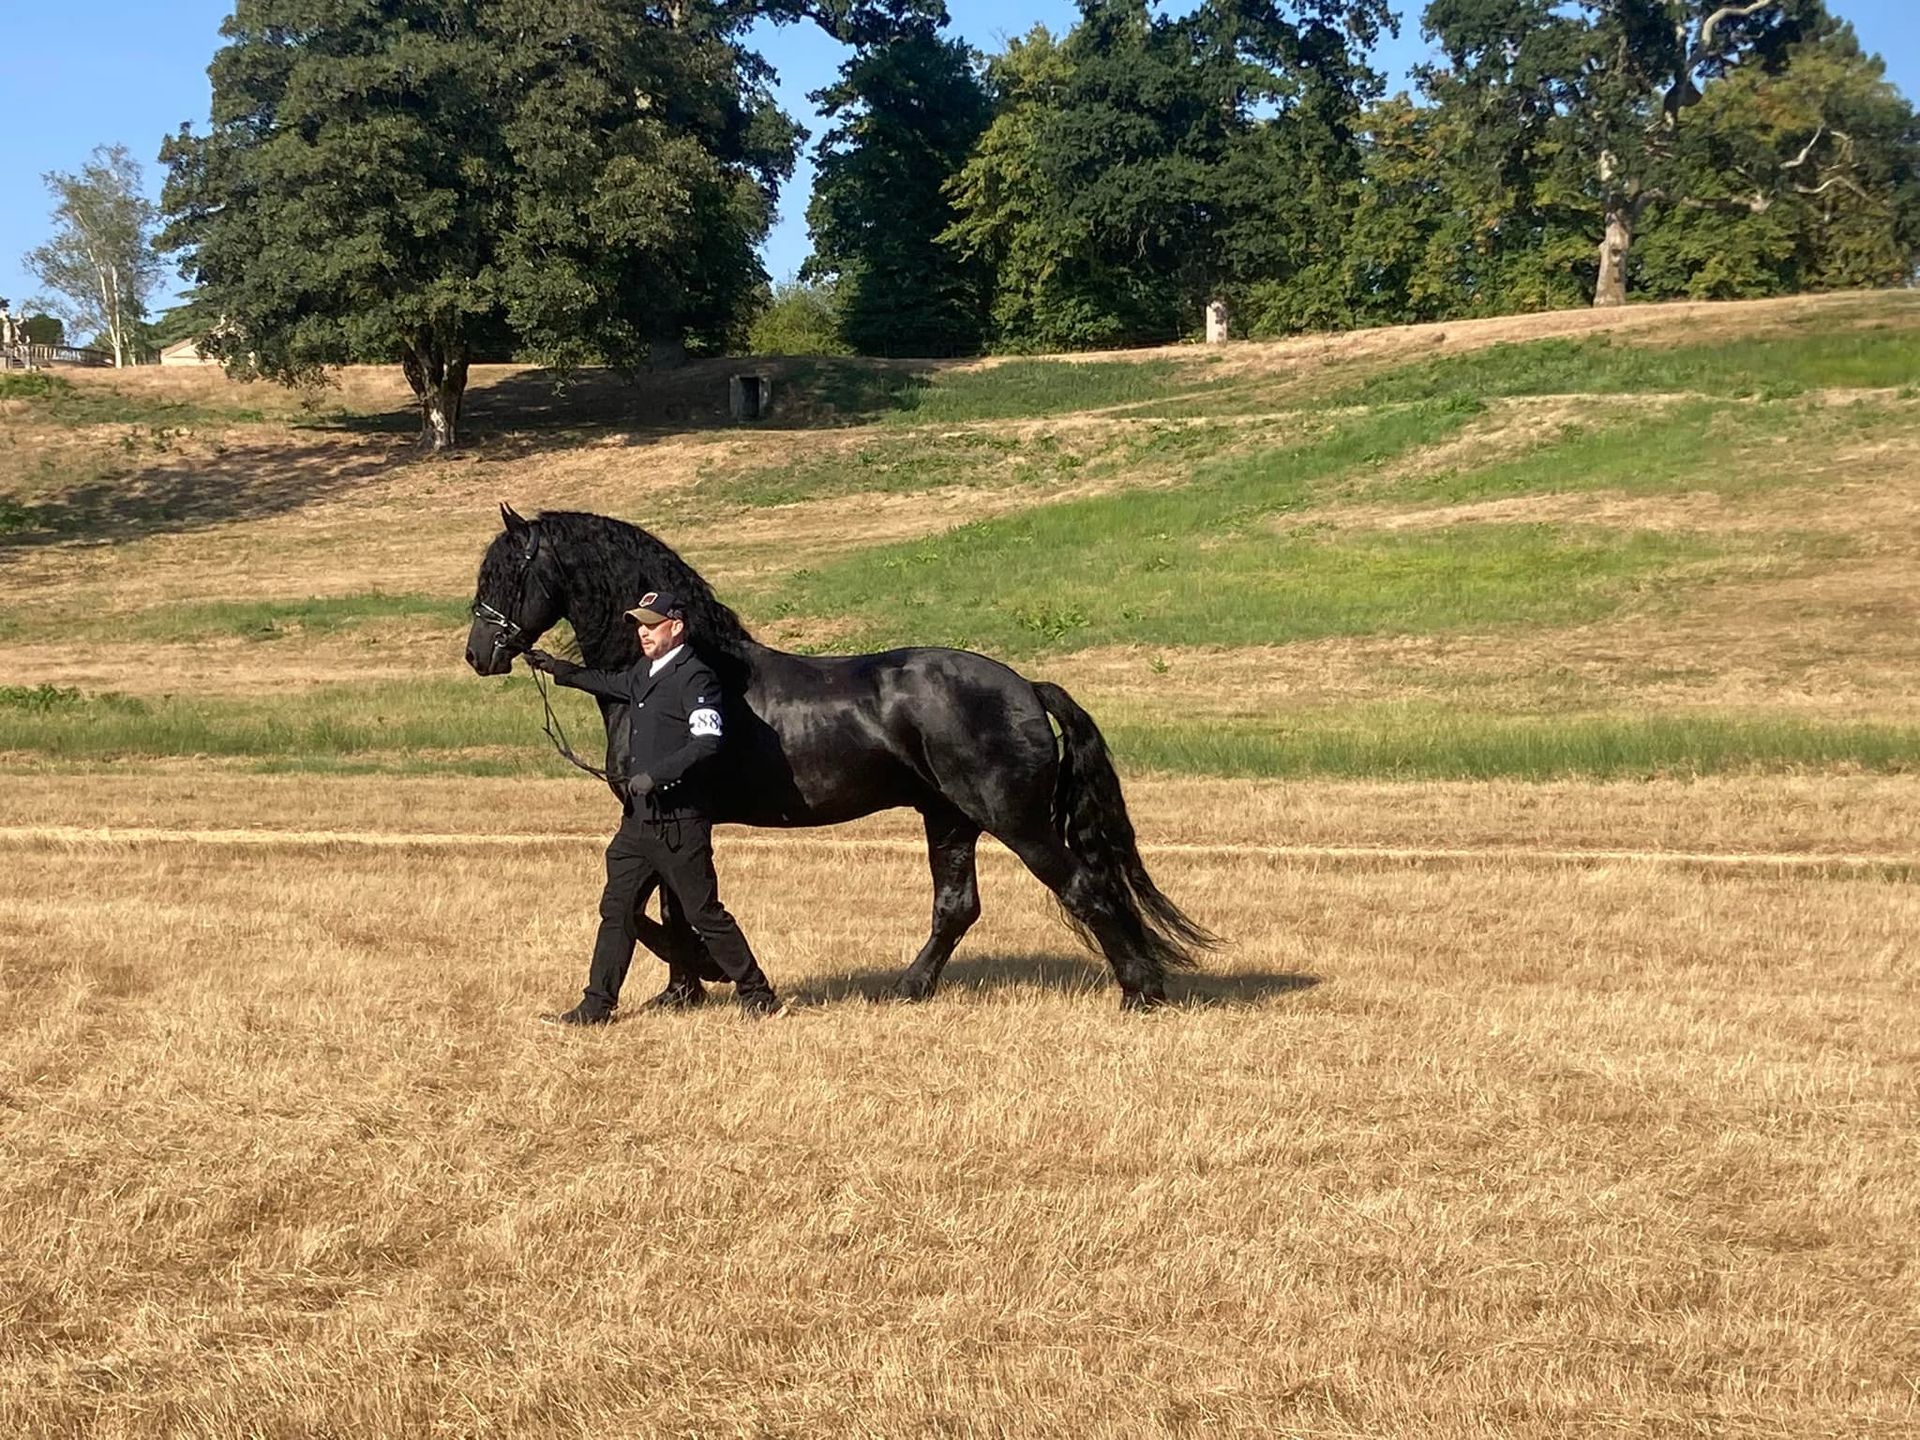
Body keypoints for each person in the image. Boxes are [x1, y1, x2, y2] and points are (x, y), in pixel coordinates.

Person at [523, 590, 781, 1023]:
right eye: (640, 626)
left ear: (676, 627)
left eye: (651, 624)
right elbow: (612, 684)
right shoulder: (645, 672)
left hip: (680, 823)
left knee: (705, 913)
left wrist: (656, 776)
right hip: (637, 826)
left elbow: (707, 742)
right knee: (618, 911)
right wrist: (561, 671)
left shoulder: (696, 677)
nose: (643, 633)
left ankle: (758, 994)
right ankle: (596, 1006)